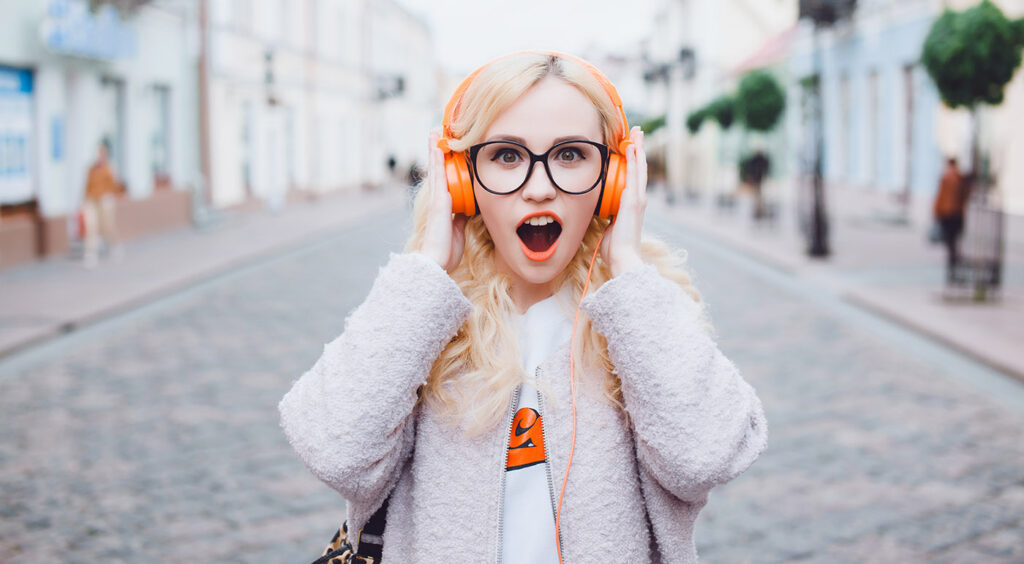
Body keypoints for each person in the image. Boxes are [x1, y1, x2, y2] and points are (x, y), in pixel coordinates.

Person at [279, 52, 766, 563]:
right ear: (462, 180)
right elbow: (335, 452)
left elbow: (705, 460)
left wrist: (628, 270)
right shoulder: (420, 318)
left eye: (571, 155)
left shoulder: (642, 318)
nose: (539, 188)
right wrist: (425, 272)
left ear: (614, 179)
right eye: (507, 156)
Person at [82, 139, 122, 267]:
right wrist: (85, 200)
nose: (99, 156)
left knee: (107, 226)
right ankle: (90, 254)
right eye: (98, 153)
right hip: (92, 200)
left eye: (102, 153)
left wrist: (111, 196)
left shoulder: (109, 168)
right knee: (91, 226)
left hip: (105, 200)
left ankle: (114, 245)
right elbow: (87, 185)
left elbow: (114, 185)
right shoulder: (91, 169)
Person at [934, 157, 966, 283]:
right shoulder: (959, 178)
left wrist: (936, 212)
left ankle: (953, 270)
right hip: (957, 216)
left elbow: (941, 197)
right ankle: (954, 268)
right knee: (953, 244)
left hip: (948, 215)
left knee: (951, 244)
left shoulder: (947, 178)